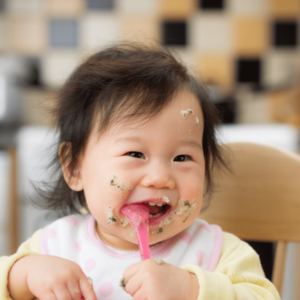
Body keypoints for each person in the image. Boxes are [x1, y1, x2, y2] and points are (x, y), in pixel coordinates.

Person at [0, 44, 279, 300]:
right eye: (135, 154)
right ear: (74, 167)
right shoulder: (55, 245)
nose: (159, 177)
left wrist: (191, 290)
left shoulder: (220, 253)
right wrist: (23, 276)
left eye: (182, 157)